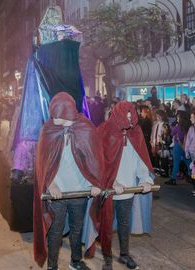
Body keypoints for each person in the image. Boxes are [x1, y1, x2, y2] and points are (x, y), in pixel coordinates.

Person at [33, 93, 104, 270]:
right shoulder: (48, 129)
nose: (53, 118)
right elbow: (42, 162)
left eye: (57, 114)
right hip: (58, 192)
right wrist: (50, 184)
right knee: (55, 231)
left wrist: (94, 183)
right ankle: (52, 265)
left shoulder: (85, 127)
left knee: (76, 227)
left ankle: (75, 261)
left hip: (79, 190)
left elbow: (94, 157)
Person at [98, 101, 154, 270]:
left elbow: (140, 159)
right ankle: (107, 257)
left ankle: (124, 254)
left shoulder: (135, 132)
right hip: (109, 190)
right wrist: (111, 182)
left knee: (124, 223)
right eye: (127, 116)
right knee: (105, 224)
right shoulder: (104, 130)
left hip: (128, 189)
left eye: (132, 116)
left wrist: (145, 179)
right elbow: (98, 161)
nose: (130, 120)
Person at [166, 111, 191, 185]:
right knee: (188, 161)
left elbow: (171, 133)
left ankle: (173, 178)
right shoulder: (189, 126)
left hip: (178, 145)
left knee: (176, 162)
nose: (177, 118)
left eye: (178, 117)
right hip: (186, 145)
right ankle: (191, 175)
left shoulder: (178, 127)